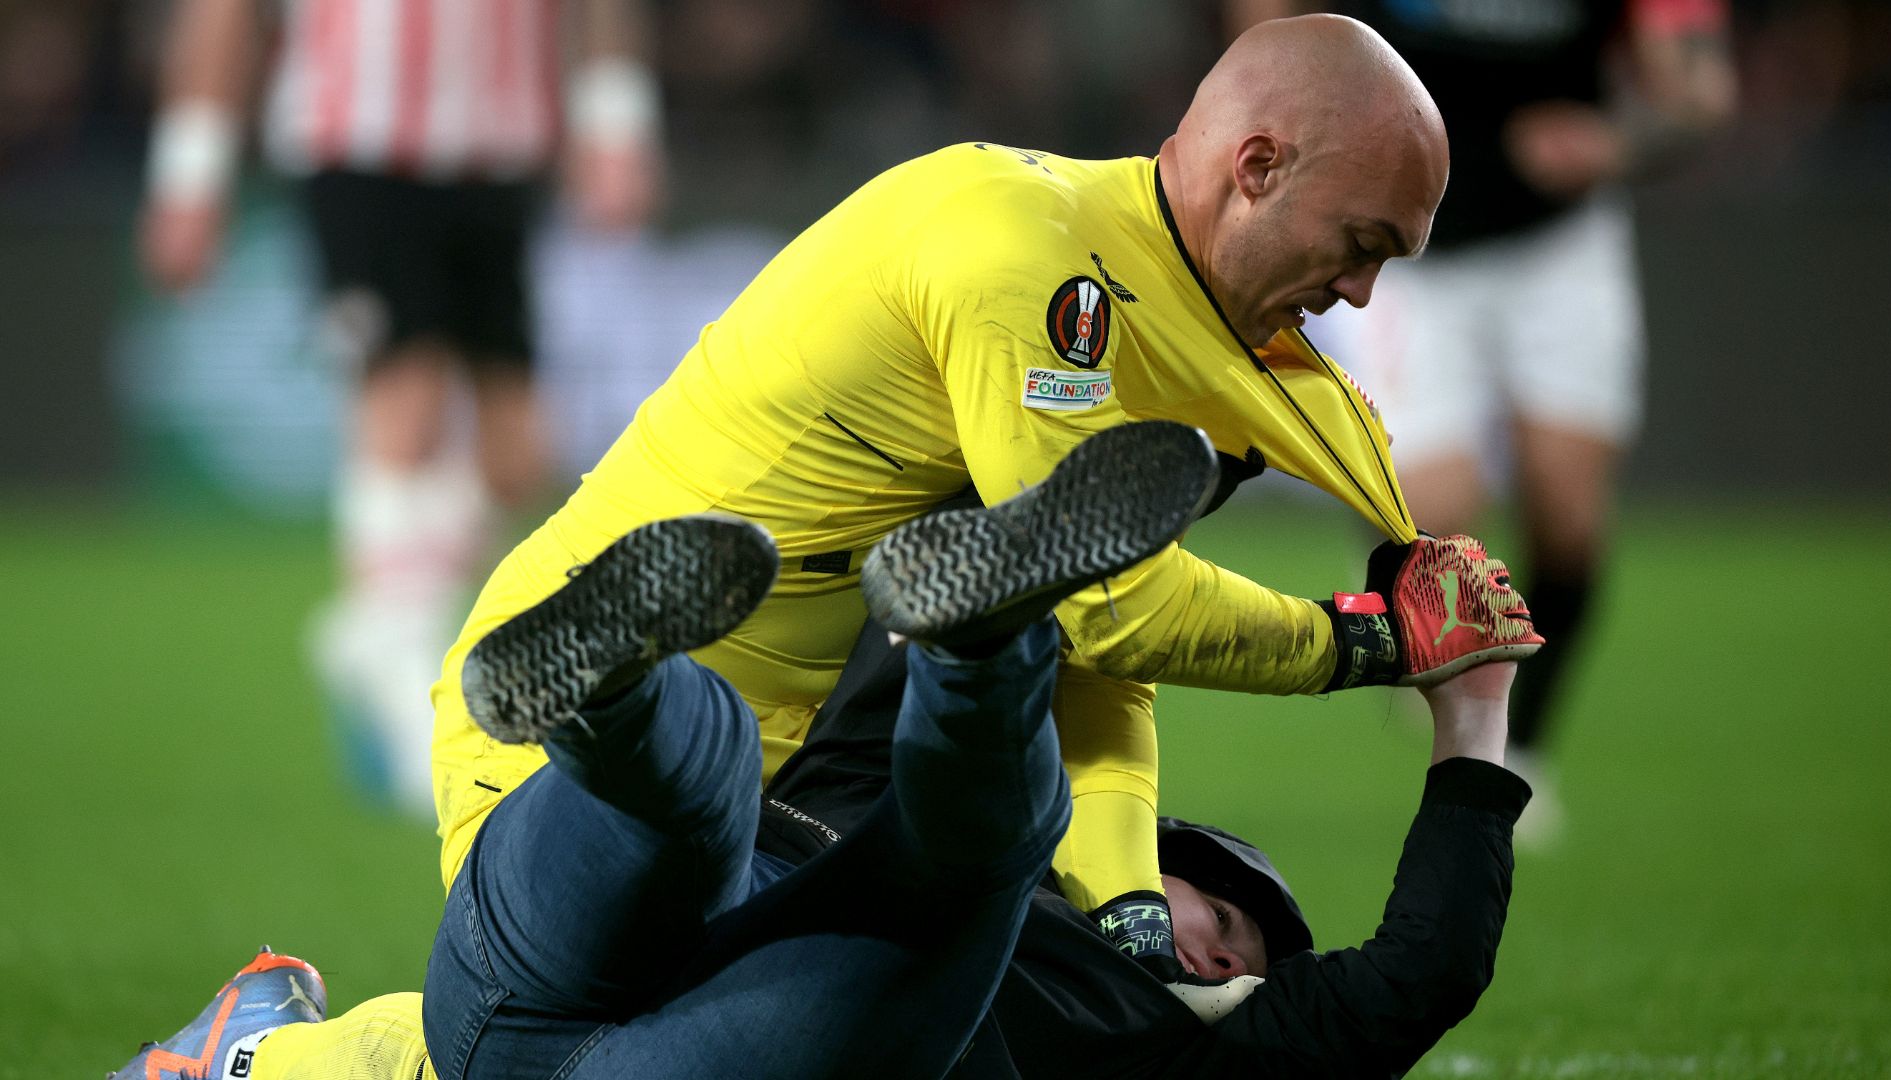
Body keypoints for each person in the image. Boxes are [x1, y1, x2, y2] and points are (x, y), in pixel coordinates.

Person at [425, 14, 1490, 977]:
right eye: (1361, 246)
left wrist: (1124, 900)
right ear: (1256, 166)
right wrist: (1366, 642)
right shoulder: (1030, 257)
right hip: (573, 756)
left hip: (779, 783)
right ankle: (282, 1050)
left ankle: (281, 1043)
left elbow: (1073, 627)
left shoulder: (1140, 286)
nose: (1358, 293)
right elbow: (1111, 609)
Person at [115, 423, 1535, 1080]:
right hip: (542, 962)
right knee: (710, 791)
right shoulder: (1039, 877)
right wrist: (1201, 449)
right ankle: (609, 686)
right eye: (1228, 914)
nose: (1231, 954)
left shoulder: (1164, 1057)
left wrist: (1474, 712)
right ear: (1145, 863)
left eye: (1253, 961)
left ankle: (988, 636)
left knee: (957, 874)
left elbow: (1424, 974)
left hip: (652, 1060)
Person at [140, 0, 665, 815]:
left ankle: (374, 626)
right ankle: (405, 673)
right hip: (360, 149)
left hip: (498, 154)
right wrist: (189, 174)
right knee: (405, 406)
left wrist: (615, 124)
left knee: (518, 457)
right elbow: (225, 15)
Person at [1247, 0, 1736, 840]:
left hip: (1560, 244)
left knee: (1571, 521)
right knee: (1430, 517)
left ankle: (1526, 750)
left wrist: (1616, 142)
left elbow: (1700, 86)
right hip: (1409, 251)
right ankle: (1439, 675)